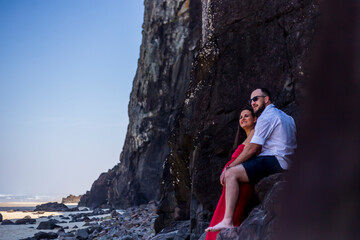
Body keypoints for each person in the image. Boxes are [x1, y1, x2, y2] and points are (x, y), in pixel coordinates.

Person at [206, 88, 297, 232]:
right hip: (288, 163)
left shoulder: (266, 117)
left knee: (232, 174)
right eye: (251, 100)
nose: (252, 102)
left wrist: (230, 167)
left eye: (256, 99)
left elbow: (253, 148)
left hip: (275, 160)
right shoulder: (288, 118)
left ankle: (227, 221)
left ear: (266, 99)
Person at [205, 107, 257, 240]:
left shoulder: (256, 134)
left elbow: (252, 153)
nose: (243, 118)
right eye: (240, 117)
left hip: (241, 186)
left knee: (229, 224)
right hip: (230, 189)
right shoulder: (245, 139)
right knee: (217, 225)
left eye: (246, 116)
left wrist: (229, 169)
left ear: (255, 119)